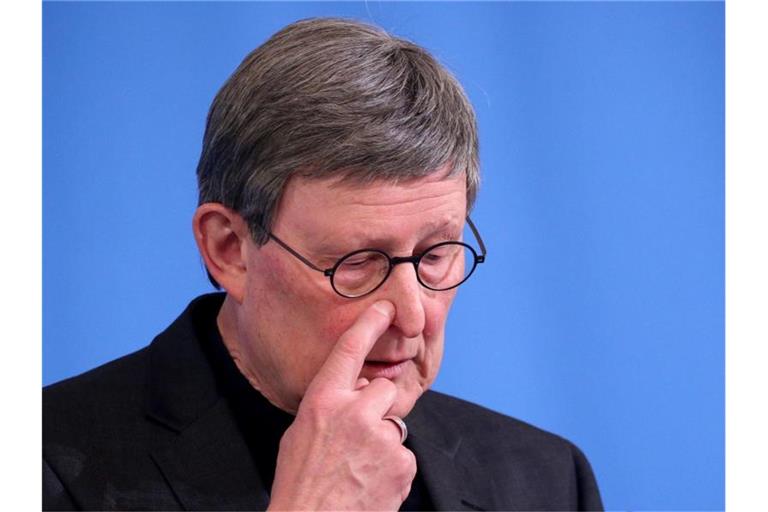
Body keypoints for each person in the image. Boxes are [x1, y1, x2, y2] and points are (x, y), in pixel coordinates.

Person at [43, 17, 603, 511]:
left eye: (434, 255)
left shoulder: (548, 479)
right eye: (358, 263)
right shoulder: (42, 467)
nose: (413, 316)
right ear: (229, 249)